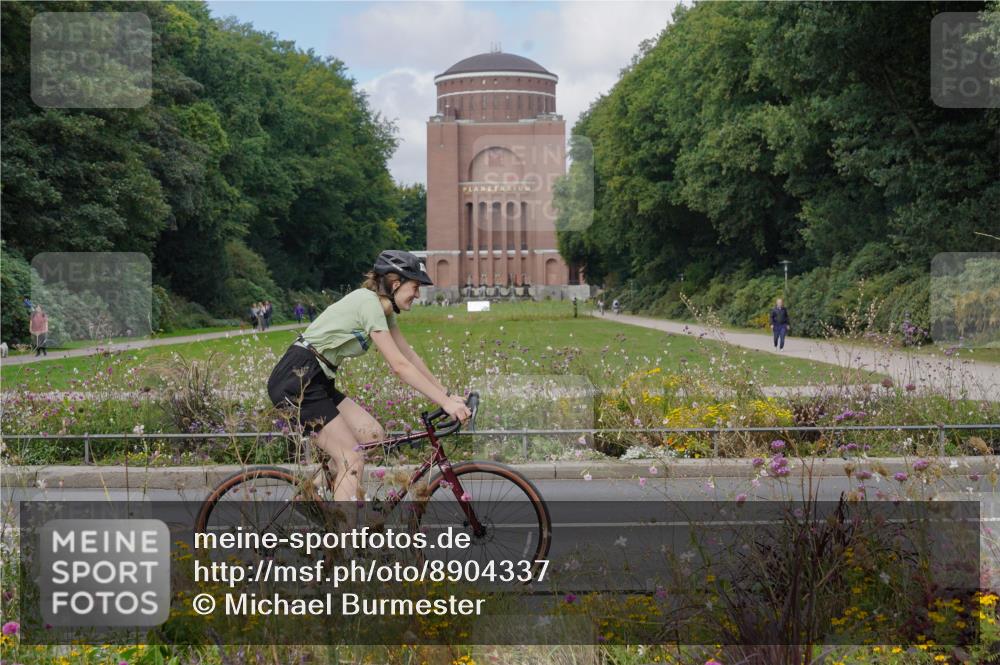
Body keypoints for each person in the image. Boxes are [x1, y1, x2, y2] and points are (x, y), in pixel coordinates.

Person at [266, 250, 472, 516]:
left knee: (371, 436)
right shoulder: (369, 303)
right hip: (297, 376)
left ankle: (311, 494)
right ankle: (343, 544)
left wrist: (448, 395)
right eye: (415, 287)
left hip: (317, 377)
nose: (418, 295)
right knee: (350, 459)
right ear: (396, 283)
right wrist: (444, 403)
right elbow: (399, 366)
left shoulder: (383, 312)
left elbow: (409, 356)